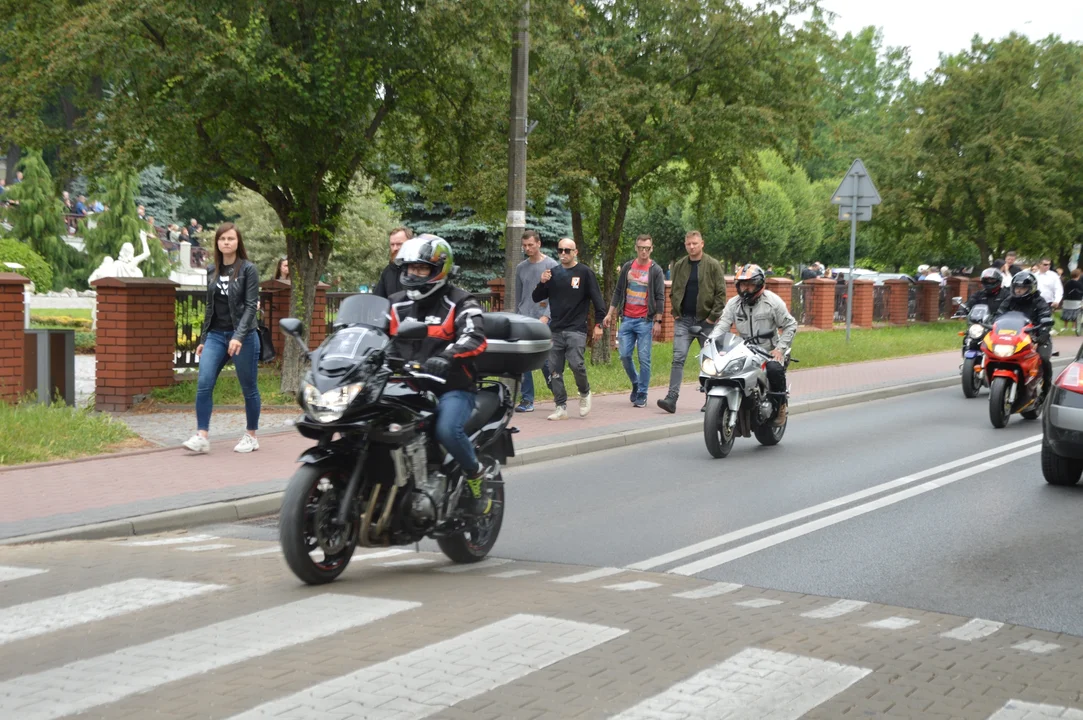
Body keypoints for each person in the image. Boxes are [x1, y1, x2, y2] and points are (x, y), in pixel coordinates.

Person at [388, 235, 493, 515]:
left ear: (439, 270)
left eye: (422, 269)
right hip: (404, 386)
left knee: (447, 430)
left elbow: (475, 336)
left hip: (451, 387)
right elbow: (369, 332)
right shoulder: (395, 304)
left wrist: (445, 356)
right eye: (411, 268)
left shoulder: (460, 302)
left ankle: (475, 475)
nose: (414, 274)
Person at [182, 223, 262, 455]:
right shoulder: (211, 270)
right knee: (204, 382)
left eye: (231, 239)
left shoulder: (248, 269)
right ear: (217, 243)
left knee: (249, 388)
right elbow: (210, 306)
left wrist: (238, 336)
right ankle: (202, 436)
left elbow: (250, 306)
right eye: (222, 239)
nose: (226, 242)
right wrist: (204, 337)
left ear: (238, 242)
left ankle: (251, 435)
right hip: (216, 335)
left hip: (244, 336)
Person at [531, 237, 606, 420]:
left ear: (575, 252)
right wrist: (542, 282)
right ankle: (560, 406)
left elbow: (598, 302)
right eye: (560, 250)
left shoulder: (585, 273)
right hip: (556, 329)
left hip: (576, 329)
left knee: (576, 364)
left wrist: (598, 325)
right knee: (554, 369)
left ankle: (585, 392)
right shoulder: (553, 273)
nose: (563, 254)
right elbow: (536, 297)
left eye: (567, 250)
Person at [715, 264, 798, 425]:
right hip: (744, 350)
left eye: (750, 284)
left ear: (759, 284)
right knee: (721, 369)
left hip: (769, 351)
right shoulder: (734, 303)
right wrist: (711, 342)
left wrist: (780, 349)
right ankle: (719, 404)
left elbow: (791, 325)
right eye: (742, 284)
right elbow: (722, 325)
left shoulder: (772, 301)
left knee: (774, 369)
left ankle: (781, 406)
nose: (745, 288)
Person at [657, 230, 727, 414]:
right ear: (685, 244)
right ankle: (671, 398)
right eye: (689, 244)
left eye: (695, 243)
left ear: (702, 243)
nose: (692, 247)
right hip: (684, 320)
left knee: (710, 360)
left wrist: (712, 317)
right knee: (678, 358)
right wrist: (676, 311)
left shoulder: (712, 265)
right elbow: (674, 290)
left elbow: (721, 293)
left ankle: (711, 400)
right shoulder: (680, 265)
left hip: (706, 321)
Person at [603, 234, 665, 407]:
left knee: (644, 358)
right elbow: (618, 291)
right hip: (627, 319)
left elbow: (660, 297)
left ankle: (642, 393)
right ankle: (636, 383)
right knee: (624, 355)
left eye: (647, 248)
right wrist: (610, 313)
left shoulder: (656, 270)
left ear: (651, 248)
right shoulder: (628, 267)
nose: (644, 251)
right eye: (640, 248)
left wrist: (658, 321)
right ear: (636, 248)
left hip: (645, 320)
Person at [513, 229, 557, 412]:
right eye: (524, 245)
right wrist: (517, 315)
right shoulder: (521, 268)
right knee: (523, 359)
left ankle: (556, 390)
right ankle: (527, 399)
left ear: (539, 243)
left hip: (543, 319)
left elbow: (556, 295)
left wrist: (546, 316)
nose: (527, 248)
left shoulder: (551, 265)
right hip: (524, 317)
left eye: (530, 244)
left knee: (545, 360)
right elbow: (519, 295)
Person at [993, 271, 1054, 401]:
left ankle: (1046, 389)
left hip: (1036, 337)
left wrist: (1043, 334)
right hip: (1015, 338)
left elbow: (1046, 317)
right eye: (1017, 288)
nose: (1019, 291)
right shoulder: (1009, 300)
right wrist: (992, 326)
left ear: (1031, 288)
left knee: (1043, 358)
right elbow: (998, 316)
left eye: (1023, 288)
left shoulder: (1039, 301)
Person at [373, 226, 413, 298]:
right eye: (392, 244)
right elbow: (378, 299)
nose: (395, 248)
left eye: (399, 244)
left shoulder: (417, 270)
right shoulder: (388, 271)